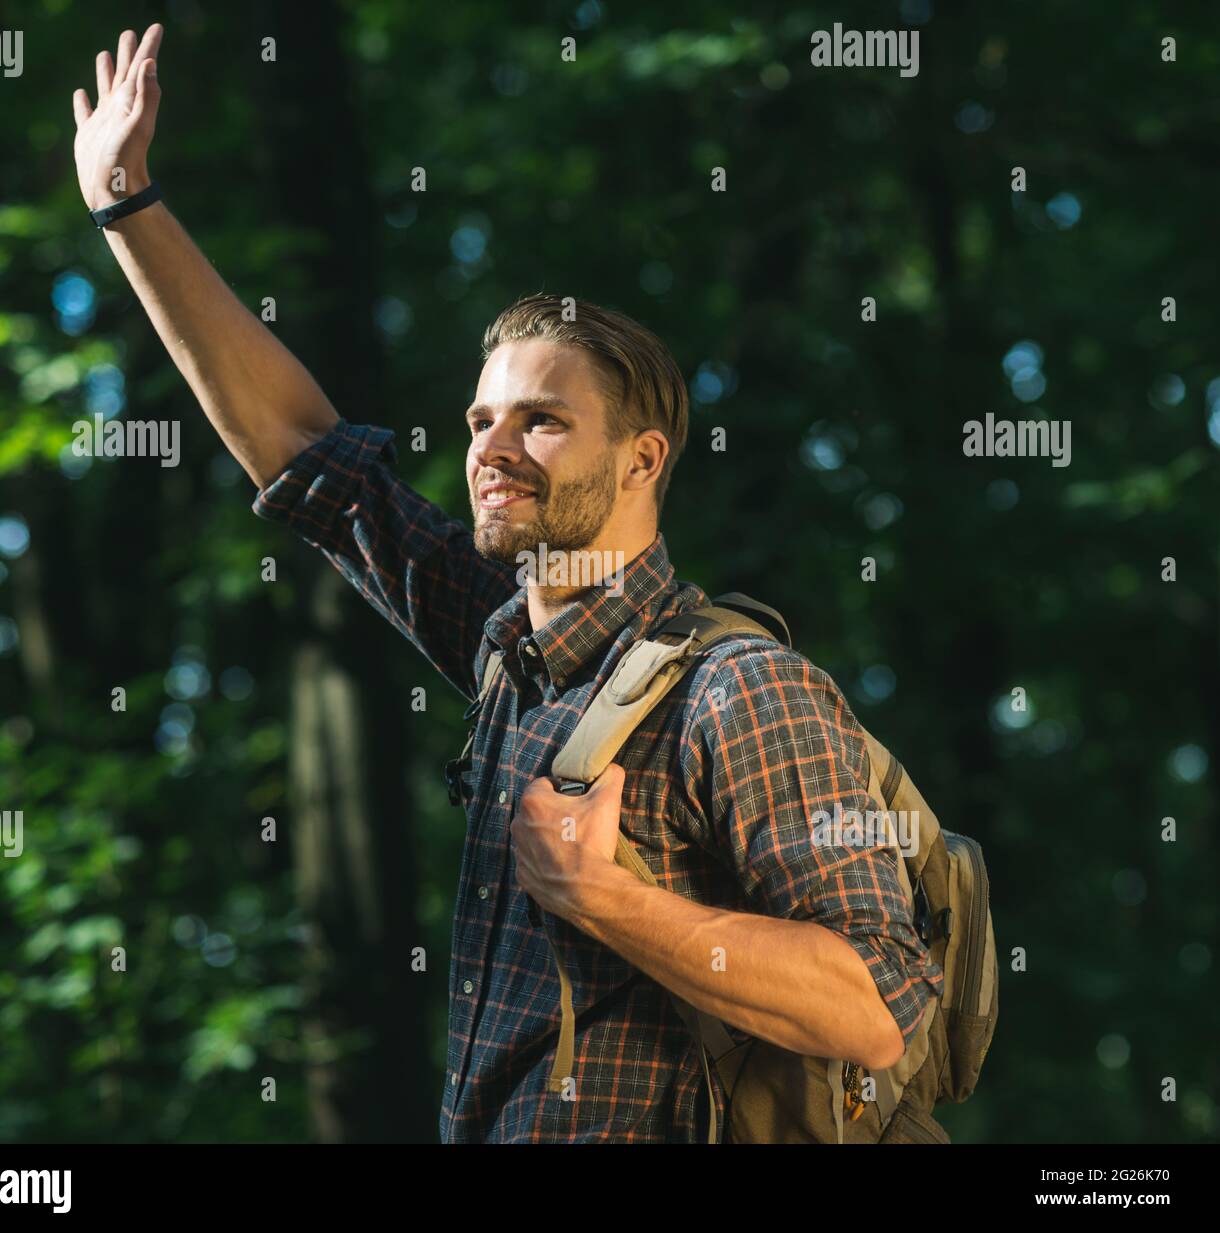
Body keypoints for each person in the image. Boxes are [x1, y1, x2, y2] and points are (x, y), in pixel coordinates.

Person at [71, 23, 943, 1143]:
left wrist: (613, 903)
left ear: (641, 460)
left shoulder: (741, 690)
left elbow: (873, 1010)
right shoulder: (510, 651)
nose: (490, 446)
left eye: (542, 422)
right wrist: (126, 205)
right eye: (483, 419)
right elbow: (299, 448)